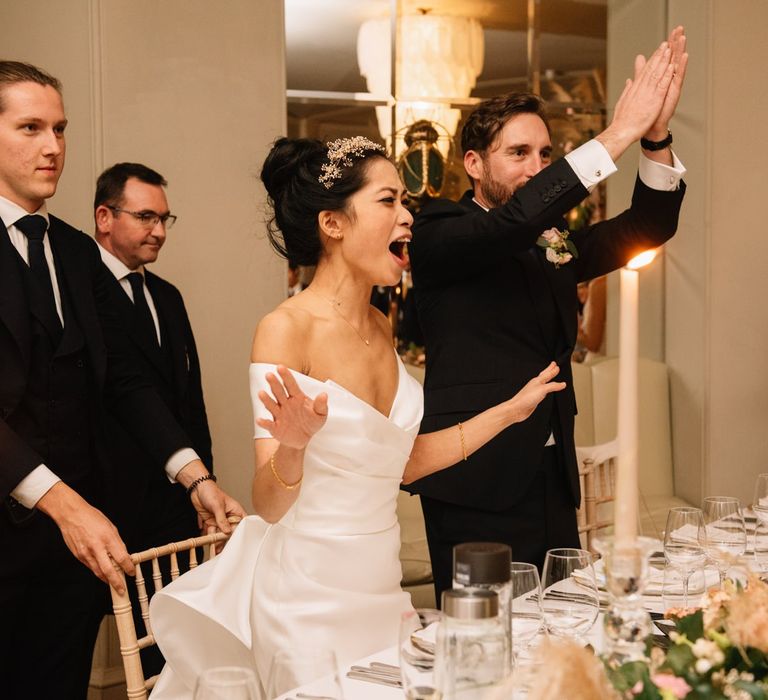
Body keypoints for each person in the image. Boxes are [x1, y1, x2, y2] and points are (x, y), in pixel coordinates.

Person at [148, 135, 566, 697]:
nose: (408, 216)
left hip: (380, 590)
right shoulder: (285, 329)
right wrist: (293, 446)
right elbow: (269, 503)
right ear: (333, 224)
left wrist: (508, 414)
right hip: (304, 602)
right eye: (388, 201)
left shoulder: (379, 324)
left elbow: (405, 465)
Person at [406, 28, 689, 599]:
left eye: (544, 153)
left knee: (561, 630)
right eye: (517, 154)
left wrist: (654, 139)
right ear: (474, 164)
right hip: (475, 482)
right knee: (484, 649)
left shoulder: (553, 243)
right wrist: (616, 135)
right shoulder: (440, 231)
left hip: (553, 478)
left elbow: (647, 228)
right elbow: (510, 226)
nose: (536, 167)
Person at [0, 61, 244, 699]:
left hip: (73, 549)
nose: (53, 146)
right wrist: (61, 503)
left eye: (60, 128)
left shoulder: (79, 252)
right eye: (30, 127)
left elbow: (125, 383)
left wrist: (196, 475)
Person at [93, 162, 215, 674]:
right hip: (106, 500)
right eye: (145, 217)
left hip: (175, 502)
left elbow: (191, 402)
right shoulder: (81, 287)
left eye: (165, 218)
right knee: (125, 641)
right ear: (105, 216)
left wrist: (204, 479)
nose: (159, 231)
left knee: (178, 642)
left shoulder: (167, 295)